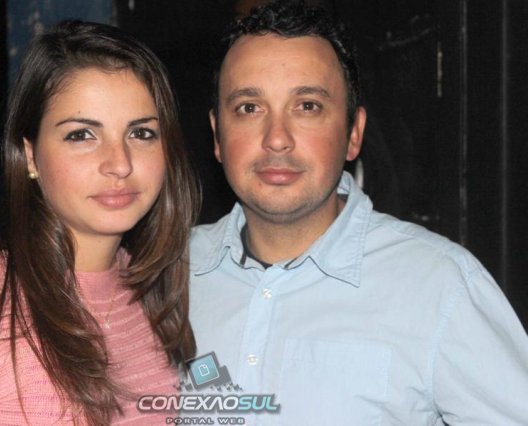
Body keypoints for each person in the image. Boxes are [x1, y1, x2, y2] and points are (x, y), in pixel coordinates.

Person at [188, 1, 528, 424]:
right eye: (249, 108)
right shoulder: (165, 274)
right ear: (217, 136)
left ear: (354, 133)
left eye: (307, 106)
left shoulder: (440, 286)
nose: (276, 138)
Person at [0, 20, 199, 425]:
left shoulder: (151, 293)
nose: (120, 163)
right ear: (30, 155)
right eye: (81, 135)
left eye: (141, 133)